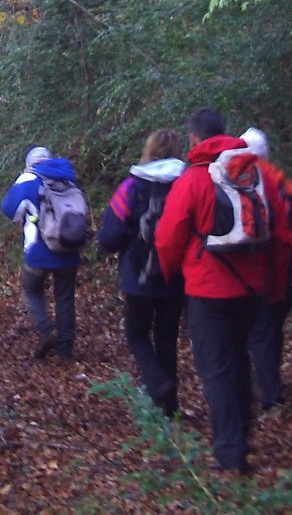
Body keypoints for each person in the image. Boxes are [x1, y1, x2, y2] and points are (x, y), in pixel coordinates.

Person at [155, 107, 291, 473]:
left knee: (216, 368)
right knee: (240, 360)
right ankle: (241, 437)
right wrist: (275, 287)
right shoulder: (257, 174)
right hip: (253, 290)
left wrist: (173, 276)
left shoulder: (193, 180)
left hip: (208, 291)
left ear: (193, 139)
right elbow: (281, 237)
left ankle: (231, 452)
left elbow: (168, 238)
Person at [97, 128, 187, 415]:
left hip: (137, 275)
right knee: (166, 337)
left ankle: (158, 383)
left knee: (137, 333)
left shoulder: (131, 186)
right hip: (175, 275)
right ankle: (169, 408)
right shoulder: (186, 184)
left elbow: (110, 236)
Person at [0, 145, 84, 361]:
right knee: (65, 298)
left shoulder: (28, 179)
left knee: (31, 290)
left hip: (39, 251)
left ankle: (47, 330)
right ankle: (65, 351)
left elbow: (9, 209)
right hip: (69, 249)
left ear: (29, 163)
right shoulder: (68, 178)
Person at [241, 127, 292, 412]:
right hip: (287, 271)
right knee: (272, 328)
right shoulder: (286, 185)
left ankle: (269, 394)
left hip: (258, 271)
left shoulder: (243, 183)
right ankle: (270, 382)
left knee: (261, 331)